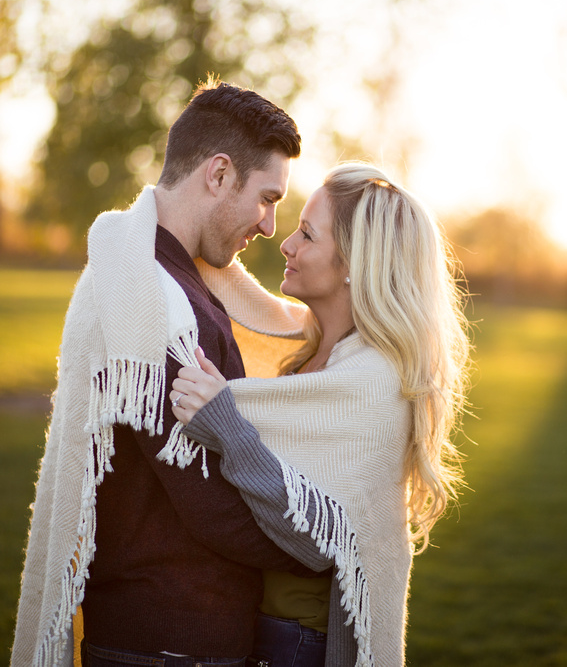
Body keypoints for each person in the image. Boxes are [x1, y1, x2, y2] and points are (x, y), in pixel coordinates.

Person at [11, 78, 331, 667]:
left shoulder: (167, 281)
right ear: (216, 174)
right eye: (266, 197)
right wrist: (323, 543)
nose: (267, 225)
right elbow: (211, 508)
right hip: (169, 643)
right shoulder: (154, 303)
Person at [168, 162, 472, 667]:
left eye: (307, 234)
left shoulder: (375, 379)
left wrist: (227, 424)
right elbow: (225, 284)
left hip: (304, 644)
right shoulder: (307, 353)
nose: (285, 244)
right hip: (258, 626)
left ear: (355, 261)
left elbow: (316, 537)